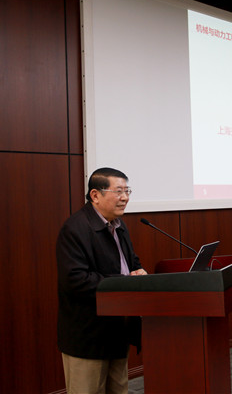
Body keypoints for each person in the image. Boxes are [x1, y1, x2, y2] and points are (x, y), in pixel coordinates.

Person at [56, 167, 147, 394]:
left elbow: (130, 262)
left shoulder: (118, 225)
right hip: (88, 336)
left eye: (127, 191)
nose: (125, 197)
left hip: (117, 330)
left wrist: (138, 272)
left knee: (118, 390)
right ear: (95, 195)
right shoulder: (75, 229)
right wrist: (124, 282)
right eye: (118, 191)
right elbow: (76, 281)